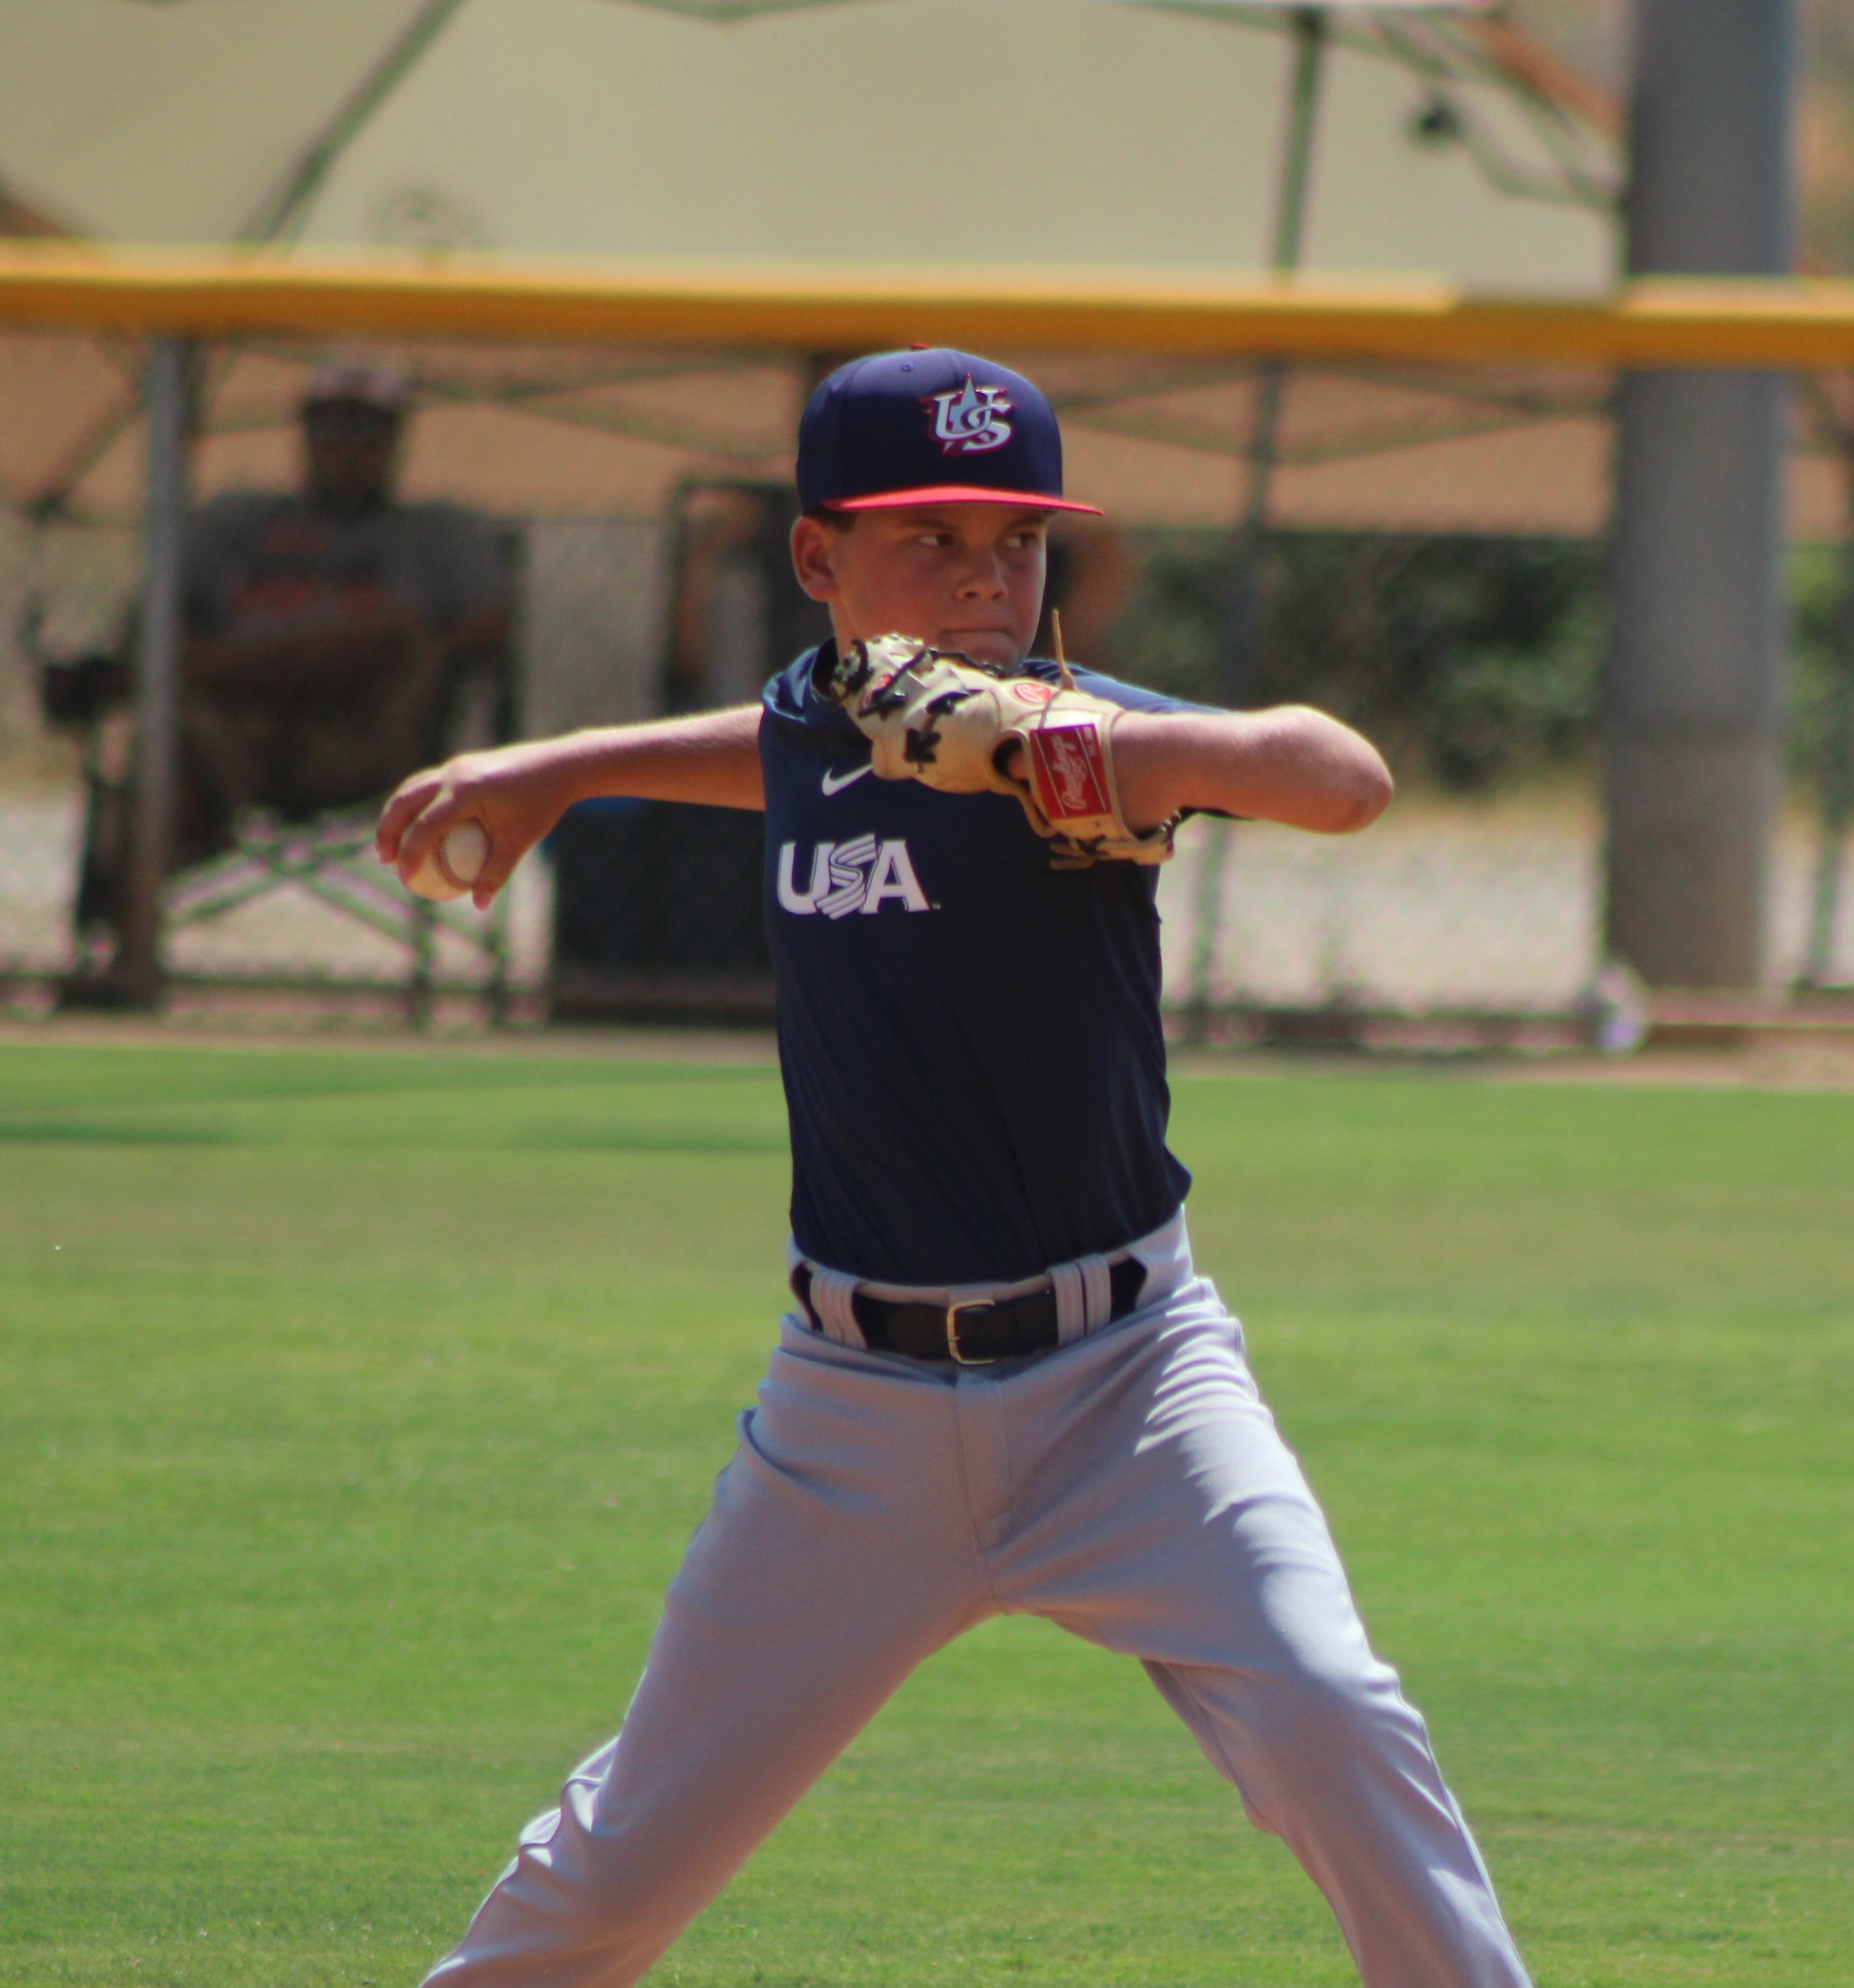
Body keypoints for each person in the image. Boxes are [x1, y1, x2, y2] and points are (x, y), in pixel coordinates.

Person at [376, 348, 1532, 1988]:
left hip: (1131, 1388)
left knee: (1334, 1718)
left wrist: (1063, 750)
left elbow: (1336, 778)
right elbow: (776, 741)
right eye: (935, 538)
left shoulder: (1076, 746)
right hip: (846, 1423)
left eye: (1018, 539)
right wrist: (557, 766)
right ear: (816, 560)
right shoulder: (813, 711)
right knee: (618, 1861)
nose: (988, 577)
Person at [176, 361, 511, 864]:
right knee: (163, 731)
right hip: (236, 733)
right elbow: (161, 617)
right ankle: (129, 924)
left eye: (370, 432)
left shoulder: (438, 533)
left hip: (364, 742)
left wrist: (357, 652)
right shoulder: (239, 521)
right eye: (331, 429)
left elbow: (486, 628)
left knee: (397, 637)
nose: (350, 448)